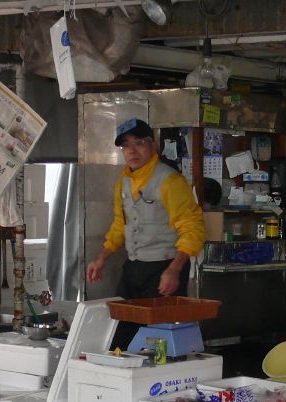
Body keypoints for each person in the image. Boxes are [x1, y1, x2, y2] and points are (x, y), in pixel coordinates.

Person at [86, 118, 206, 299]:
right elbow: (120, 225)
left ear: (153, 145)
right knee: (122, 323)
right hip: (134, 266)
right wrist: (102, 257)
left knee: (159, 326)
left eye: (139, 143)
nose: (132, 151)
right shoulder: (123, 181)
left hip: (165, 266)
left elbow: (192, 228)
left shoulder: (171, 181)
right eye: (126, 146)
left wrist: (174, 269)